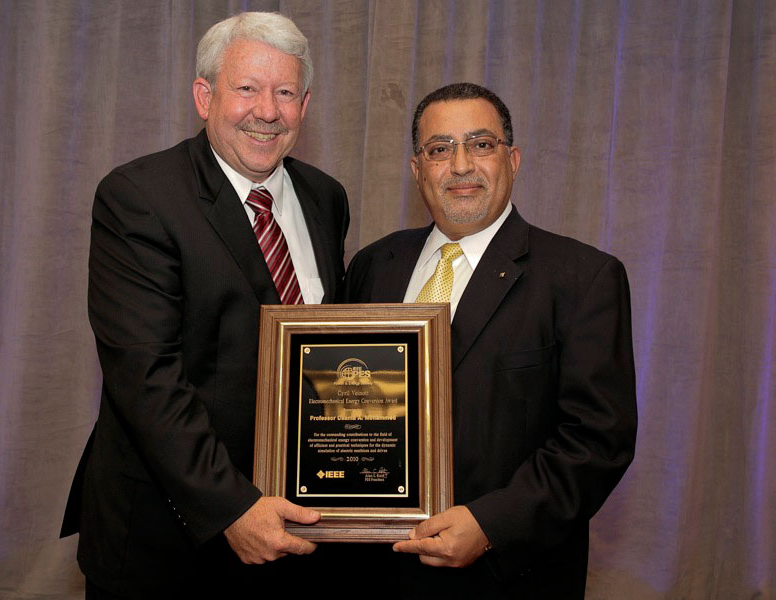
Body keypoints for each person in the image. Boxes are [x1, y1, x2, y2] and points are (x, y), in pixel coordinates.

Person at [60, 12, 349, 598]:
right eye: (246, 88)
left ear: (305, 103)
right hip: (168, 535)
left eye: (286, 92)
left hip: (295, 524)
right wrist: (232, 507)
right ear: (203, 95)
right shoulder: (139, 198)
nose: (267, 110)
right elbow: (147, 379)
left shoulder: (325, 197)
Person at [342, 82, 637, 597]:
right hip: (376, 567)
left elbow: (597, 441)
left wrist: (491, 525)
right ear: (418, 170)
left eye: (481, 144)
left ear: (513, 159)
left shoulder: (582, 277)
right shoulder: (373, 265)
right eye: (440, 149)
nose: (460, 166)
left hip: (509, 574)